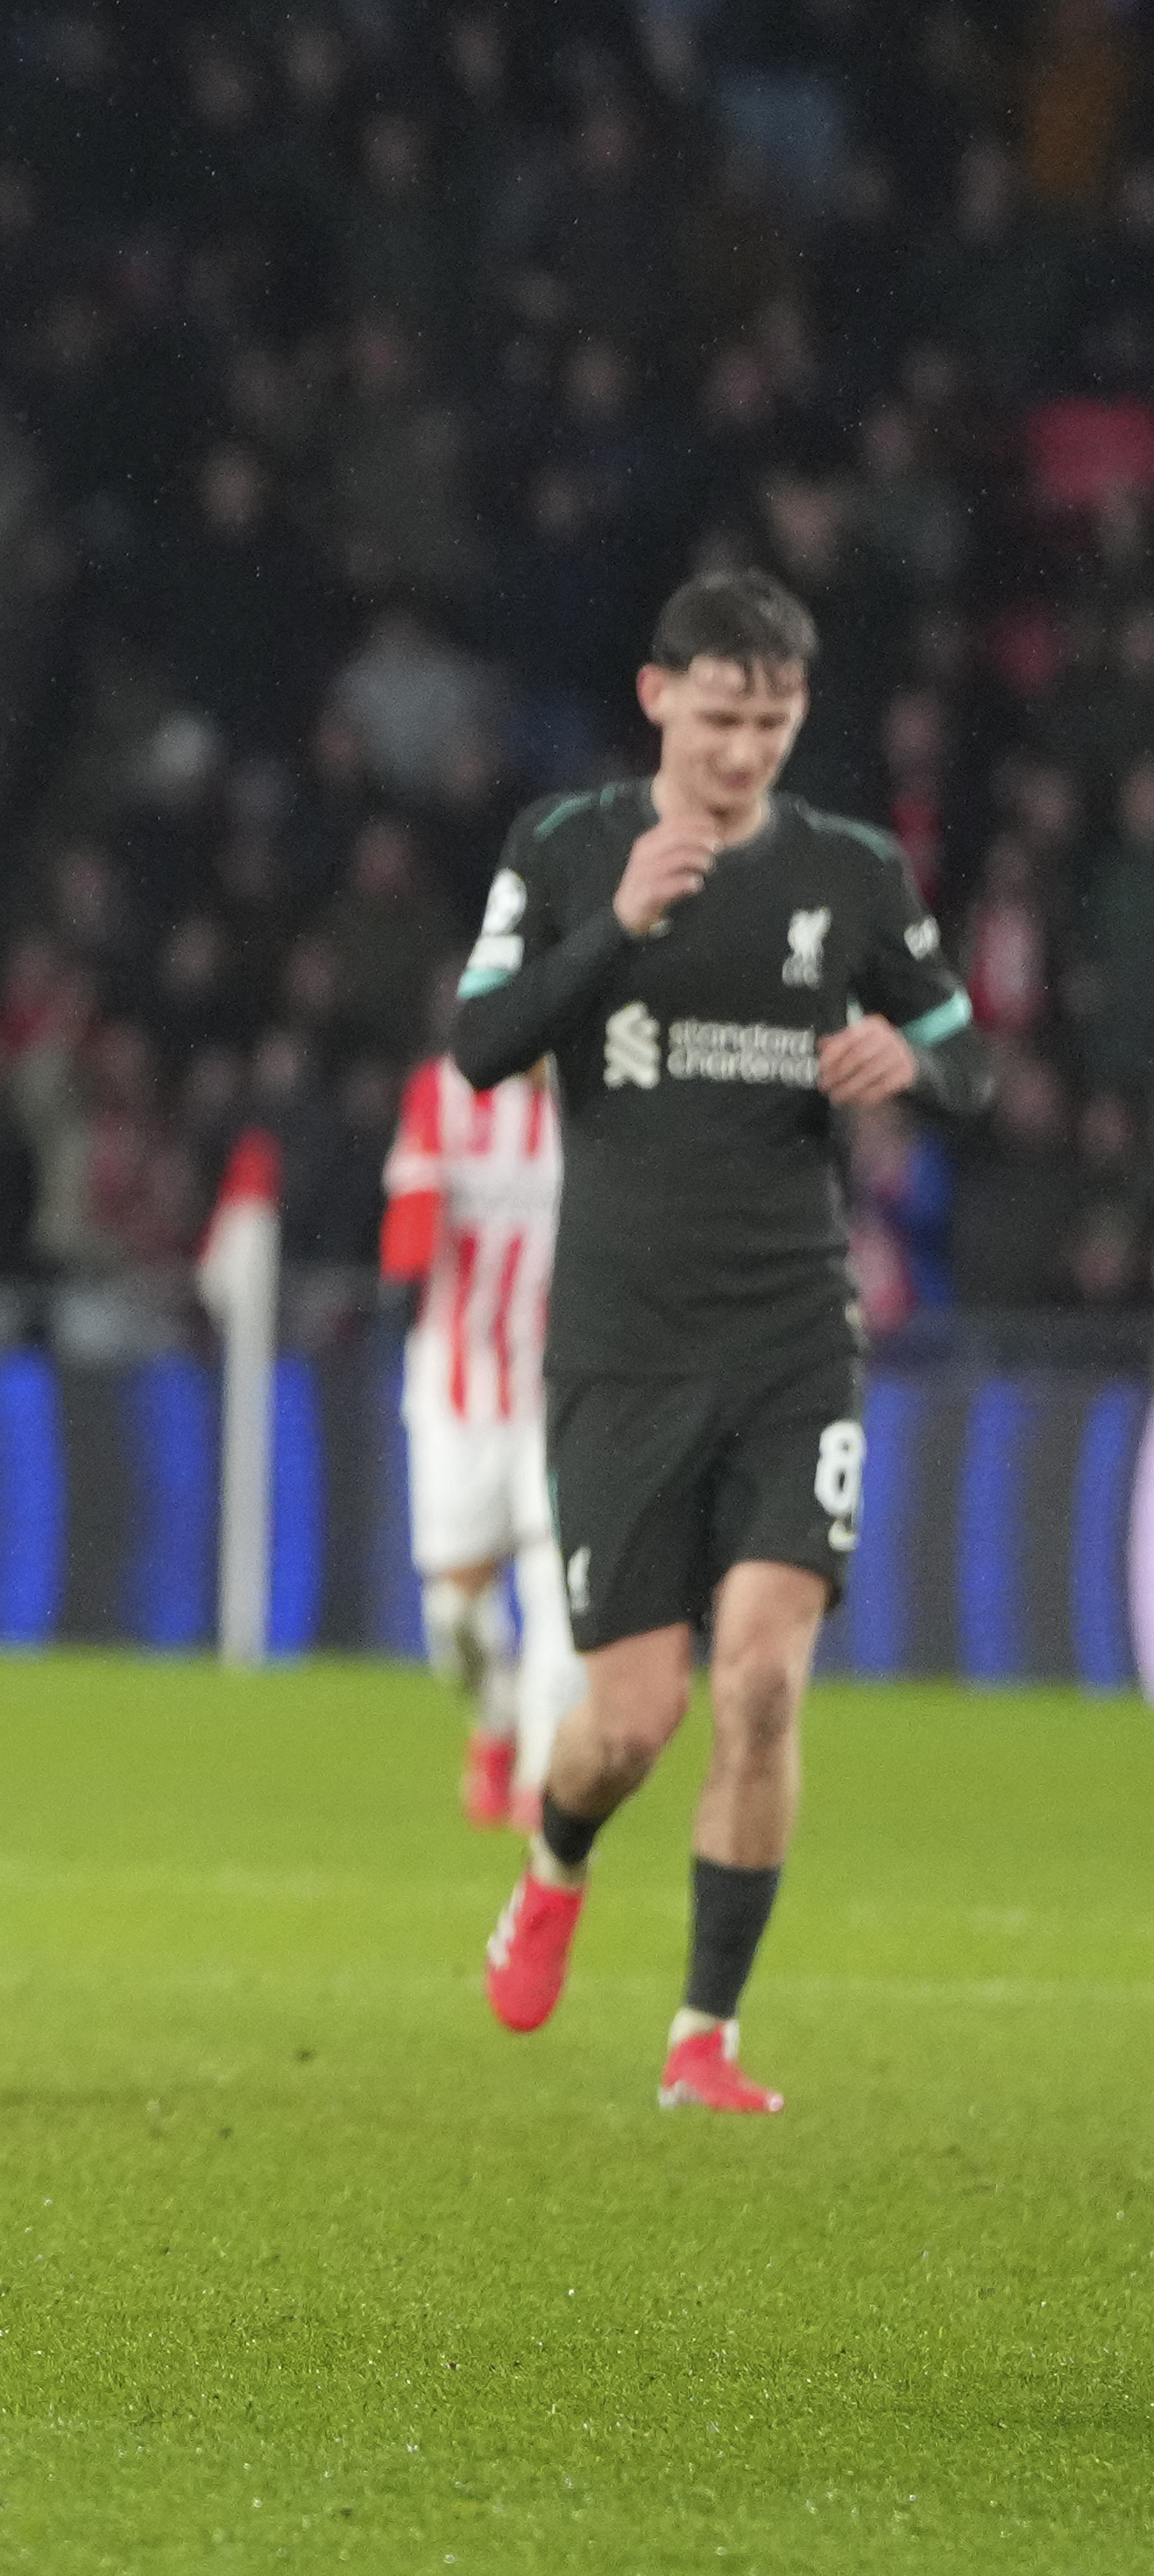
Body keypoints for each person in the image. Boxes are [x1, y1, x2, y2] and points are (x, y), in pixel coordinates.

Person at [451, 570, 991, 2113]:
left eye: (770, 721)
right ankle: (551, 1866)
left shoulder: (851, 874)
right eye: (718, 715)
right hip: (620, 1336)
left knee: (758, 1684)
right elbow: (479, 1043)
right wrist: (612, 931)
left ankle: (703, 2034)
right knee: (626, 1721)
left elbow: (968, 1053)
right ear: (654, 697)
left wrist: (915, 1058)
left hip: (786, 1333)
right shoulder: (563, 849)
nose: (743, 749)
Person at [376, 1046, 581, 1829]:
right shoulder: (444, 1090)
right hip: (456, 1386)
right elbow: (408, 1229)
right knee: (452, 1619)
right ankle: (495, 1716)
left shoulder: (595, 1092)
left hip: (559, 1389)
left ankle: (542, 1776)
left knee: (555, 1587)